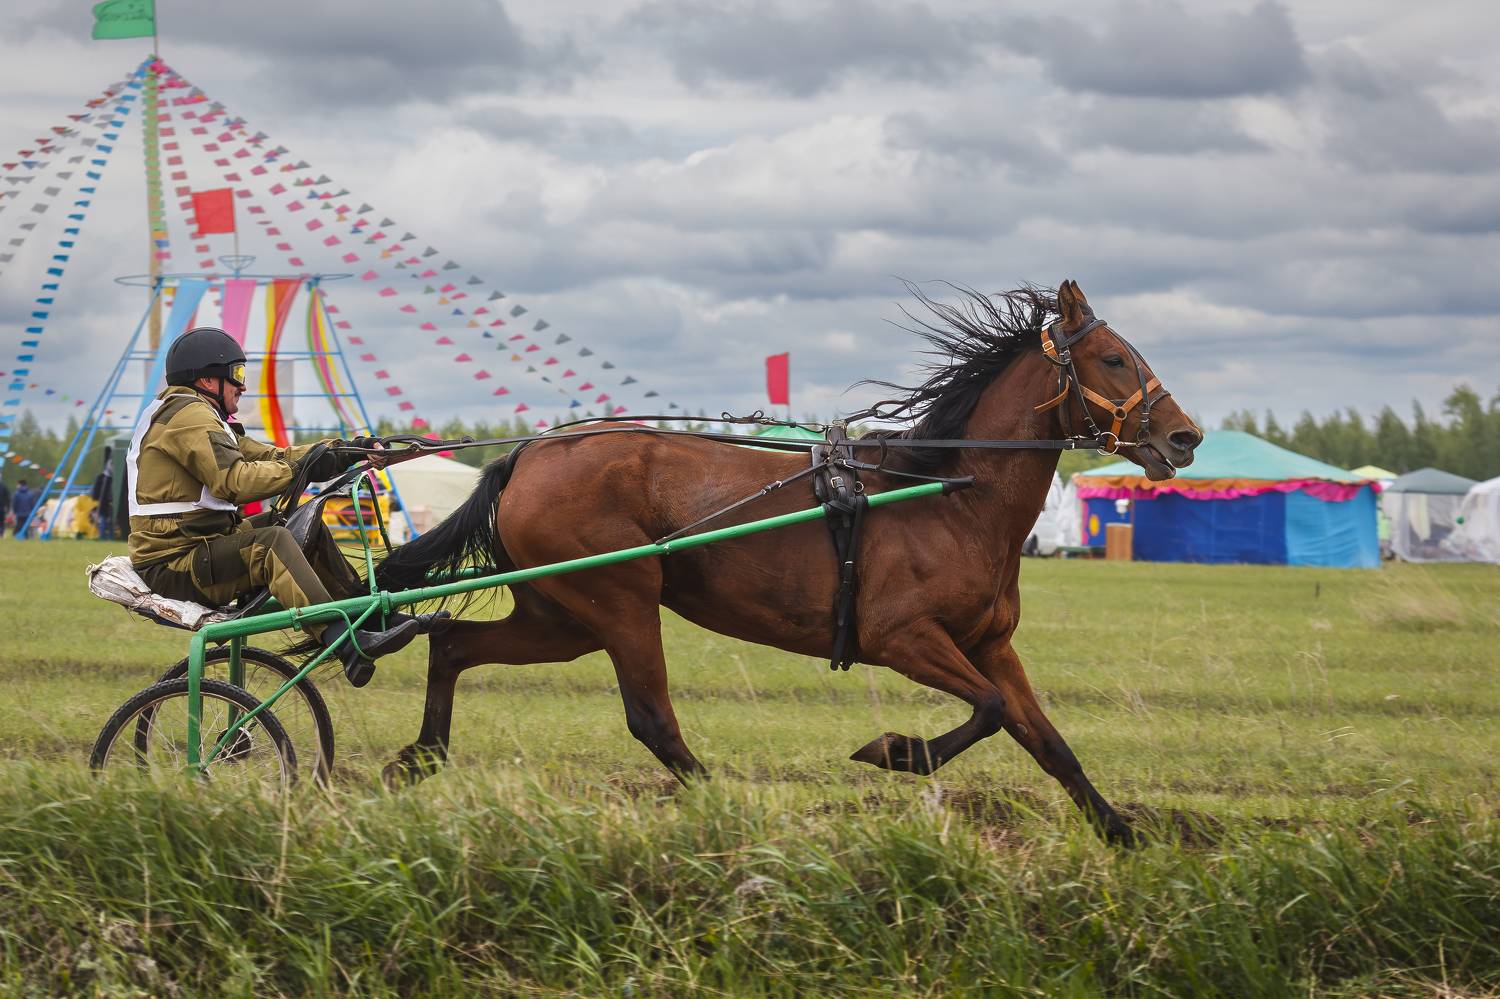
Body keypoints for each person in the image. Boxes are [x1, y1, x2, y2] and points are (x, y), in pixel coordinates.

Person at [127, 326, 421, 686]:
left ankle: (366, 618)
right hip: (174, 564)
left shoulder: (194, 414)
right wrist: (302, 468)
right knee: (273, 544)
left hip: (197, 548)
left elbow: (272, 456)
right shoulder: (189, 417)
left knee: (305, 522)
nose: (243, 386)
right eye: (236, 375)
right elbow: (234, 481)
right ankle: (343, 643)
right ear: (206, 379)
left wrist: (348, 450)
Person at [91, 448, 115, 541]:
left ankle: (108, 537)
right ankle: (104, 536)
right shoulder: (102, 478)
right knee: (105, 519)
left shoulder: (104, 478)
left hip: (107, 500)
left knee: (107, 519)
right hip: (105, 500)